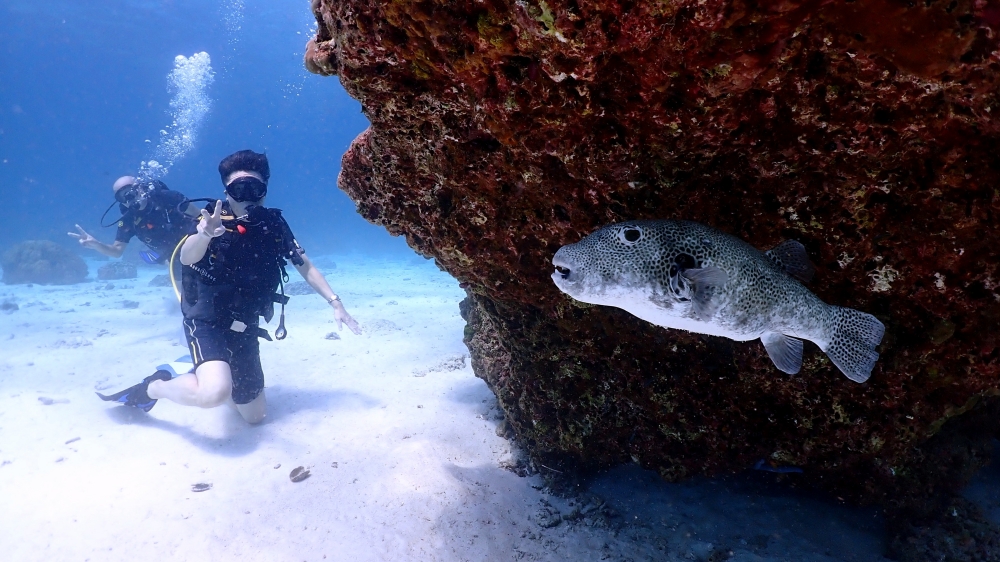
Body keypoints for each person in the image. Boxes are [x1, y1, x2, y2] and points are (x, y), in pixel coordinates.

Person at [100, 150, 361, 423]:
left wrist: (336, 302)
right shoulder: (211, 219)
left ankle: (207, 367)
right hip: (206, 318)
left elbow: (304, 264)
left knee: (254, 417)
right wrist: (204, 234)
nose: (247, 197)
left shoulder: (273, 224)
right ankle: (154, 387)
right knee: (213, 394)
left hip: (244, 322)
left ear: (265, 191)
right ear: (227, 191)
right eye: (239, 189)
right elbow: (187, 257)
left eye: (255, 188)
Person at [69, 176, 199, 264]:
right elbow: (116, 252)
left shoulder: (168, 198)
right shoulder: (128, 219)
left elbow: (199, 215)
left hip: (198, 242)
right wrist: (97, 245)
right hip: (173, 257)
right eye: (122, 196)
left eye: (131, 191)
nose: (129, 198)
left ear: (141, 188)